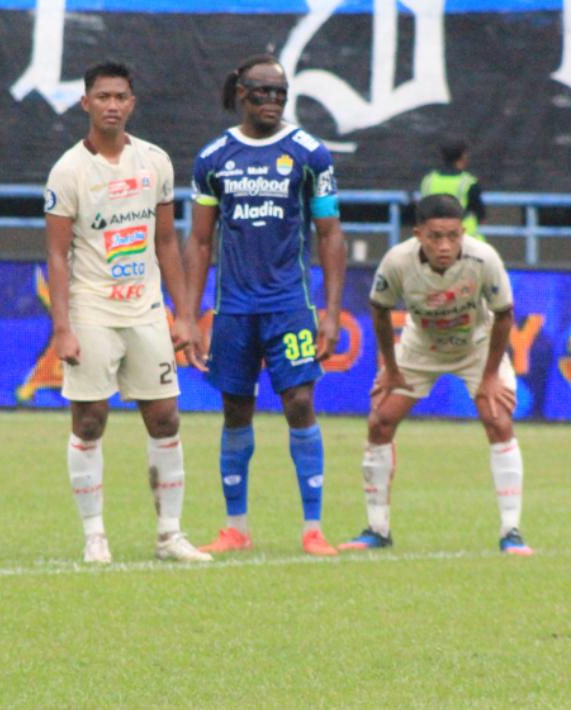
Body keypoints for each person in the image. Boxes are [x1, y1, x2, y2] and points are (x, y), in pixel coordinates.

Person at [44, 61, 211, 564]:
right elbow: (56, 254)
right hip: (92, 308)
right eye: (102, 97)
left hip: (145, 309)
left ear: (132, 103)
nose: (112, 105)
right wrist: (62, 328)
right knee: (90, 421)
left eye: (120, 97)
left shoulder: (155, 162)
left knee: (164, 417)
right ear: (86, 103)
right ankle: (95, 535)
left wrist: (184, 316)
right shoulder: (68, 170)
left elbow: (165, 240)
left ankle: (169, 535)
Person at [183, 54, 347, 556]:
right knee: (235, 408)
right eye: (263, 92)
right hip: (233, 308)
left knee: (299, 401)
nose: (273, 101)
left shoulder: (309, 154)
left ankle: (312, 528)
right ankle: (236, 526)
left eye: (281, 92)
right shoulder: (213, 159)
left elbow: (330, 232)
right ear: (240, 94)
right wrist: (188, 316)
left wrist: (332, 310)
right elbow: (200, 241)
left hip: (289, 304)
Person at [338, 194, 533, 556]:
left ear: (462, 233)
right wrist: (392, 370)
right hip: (420, 347)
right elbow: (379, 311)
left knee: (499, 421)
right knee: (380, 421)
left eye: (453, 236)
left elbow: (504, 314)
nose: (445, 246)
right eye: (435, 237)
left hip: (476, 345)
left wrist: (490, 375)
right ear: (418, 235)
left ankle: (512, 532)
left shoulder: (484, 258)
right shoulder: (397, 261)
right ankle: (377, 529)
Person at [419, 137, 486, 241]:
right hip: (465, 239)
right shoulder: (468, 182)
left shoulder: (428, 180)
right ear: (463, 156)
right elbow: (481, 215)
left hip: (432, 239)